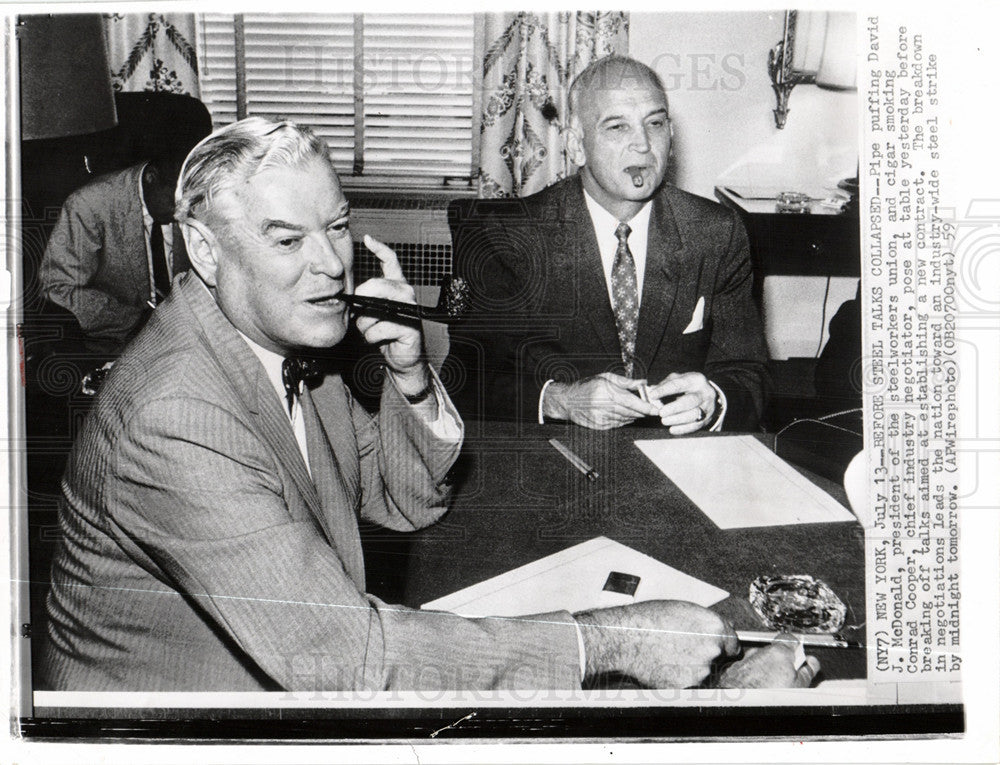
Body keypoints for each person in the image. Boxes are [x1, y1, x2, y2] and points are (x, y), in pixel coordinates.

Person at [40, 117, 815, 692]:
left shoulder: (278, 337)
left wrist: (409, 373)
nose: (328, 264)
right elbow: (343, 660)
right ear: (205, 252)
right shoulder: (175, 417)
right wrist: (607, 642)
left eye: (338, 227)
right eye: (286, 241)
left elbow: (403, 502)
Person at [446, 55, 769, 432]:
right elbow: (464, 381)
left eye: (656, 123)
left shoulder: (716, 232)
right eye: (617, 127)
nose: (644, 146)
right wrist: (560, 400)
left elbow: (750, 376)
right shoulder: (505, 237)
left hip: (676, 456)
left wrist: (714, 400)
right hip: (555, 460)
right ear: (575, 146)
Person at [38, 143, 208, 356]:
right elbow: (57, 290)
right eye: (174, 200)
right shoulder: (89, 205)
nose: (181, 213)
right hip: (112, 350)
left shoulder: (191, 199)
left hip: (184, 345)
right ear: (151, 177)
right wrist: (133, 320)